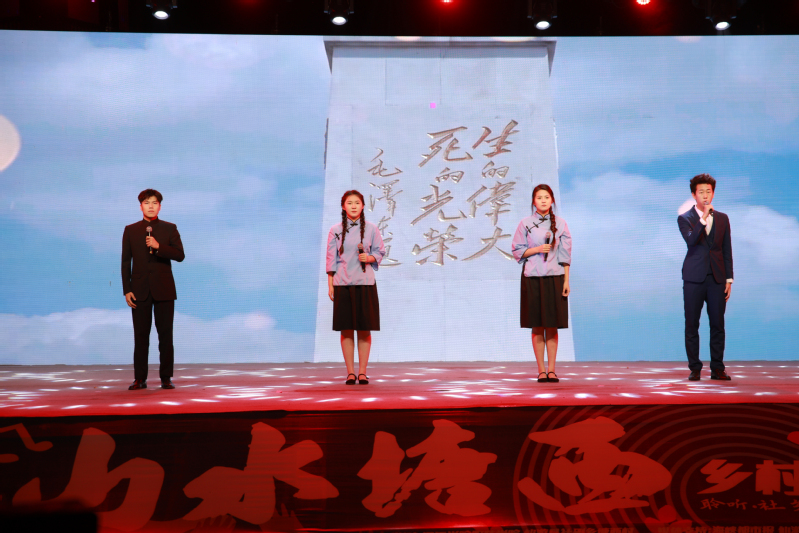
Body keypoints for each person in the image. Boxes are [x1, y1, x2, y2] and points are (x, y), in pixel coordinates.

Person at [122, 189, 185, 390]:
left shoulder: (169, 228)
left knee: (165, 335)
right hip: (139, 290)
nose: (151, 206)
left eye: (155, 203)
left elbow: (180, 255)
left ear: (160, 206)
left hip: (164, 289)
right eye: (147, 203)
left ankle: (166, 377)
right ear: (140, 206)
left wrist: (158, 246)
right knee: (141, 336)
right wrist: (127, 289)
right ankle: (140, 378)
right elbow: (125, 262)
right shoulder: (130, 230)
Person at [512, 184, 572, 383]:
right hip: (532, 278)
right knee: (537, 326)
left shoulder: (561, 224)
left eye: (546, 197)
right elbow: (517, 251)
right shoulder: (525, 223)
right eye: (539, 197)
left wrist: (566, 280)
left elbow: (565, 255)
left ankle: (552, 370)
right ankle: (541, 370)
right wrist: (537, 249)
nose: (543, 200)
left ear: (552, 200)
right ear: (534, 201)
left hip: (555, 279)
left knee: (552, 326)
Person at [326, 190, 385, 385]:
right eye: (349, 203)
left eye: (357, 202)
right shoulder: (335, 230)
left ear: (363, 206)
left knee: (364, 329)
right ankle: (350, 372)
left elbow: (380, 251)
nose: (353, 206)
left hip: (365, 284)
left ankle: (362, 372)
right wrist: (330, 283)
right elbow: (331, 258)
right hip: (342, 284)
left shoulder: (372, 228)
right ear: (343, 206)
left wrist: (369, 257)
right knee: (346, 330)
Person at [678, 173, 733, 381]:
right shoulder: (685, 218)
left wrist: (729, 279)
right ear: (694, 195)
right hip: (693, 278)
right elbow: (691, 241)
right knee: (692, 324)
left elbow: (726, 250)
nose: (705, 195)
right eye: (701, 192)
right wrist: (702, 219)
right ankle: (695, 368)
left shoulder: (723, 218)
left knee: (718, 324)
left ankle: (718, 368)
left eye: (708, 192)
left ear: (713, 194)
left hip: (717, 279)